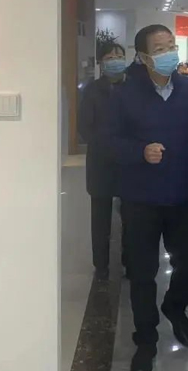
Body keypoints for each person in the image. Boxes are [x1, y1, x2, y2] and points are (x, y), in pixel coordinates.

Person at [105, 24, 188, 371]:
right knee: (142, 273)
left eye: (172, 46)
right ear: (143, 56)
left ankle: (175, 307)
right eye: (160, 49)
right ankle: (146, 338)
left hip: (182, 195)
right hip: (140, 199)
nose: (169, 54)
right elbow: (110, 142)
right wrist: (140, 151)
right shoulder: (124, 94)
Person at [78, 42, 127, 281]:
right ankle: (101, 264)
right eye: (109, 57)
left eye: (119, 56)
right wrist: (106, 145)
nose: (115, 60)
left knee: (132, 215)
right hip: (101, 162)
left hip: (129, 160)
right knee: (100, 218)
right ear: (101, 62)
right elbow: (84, 127)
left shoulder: (134, 88)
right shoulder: (92, 90)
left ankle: (131, 260)